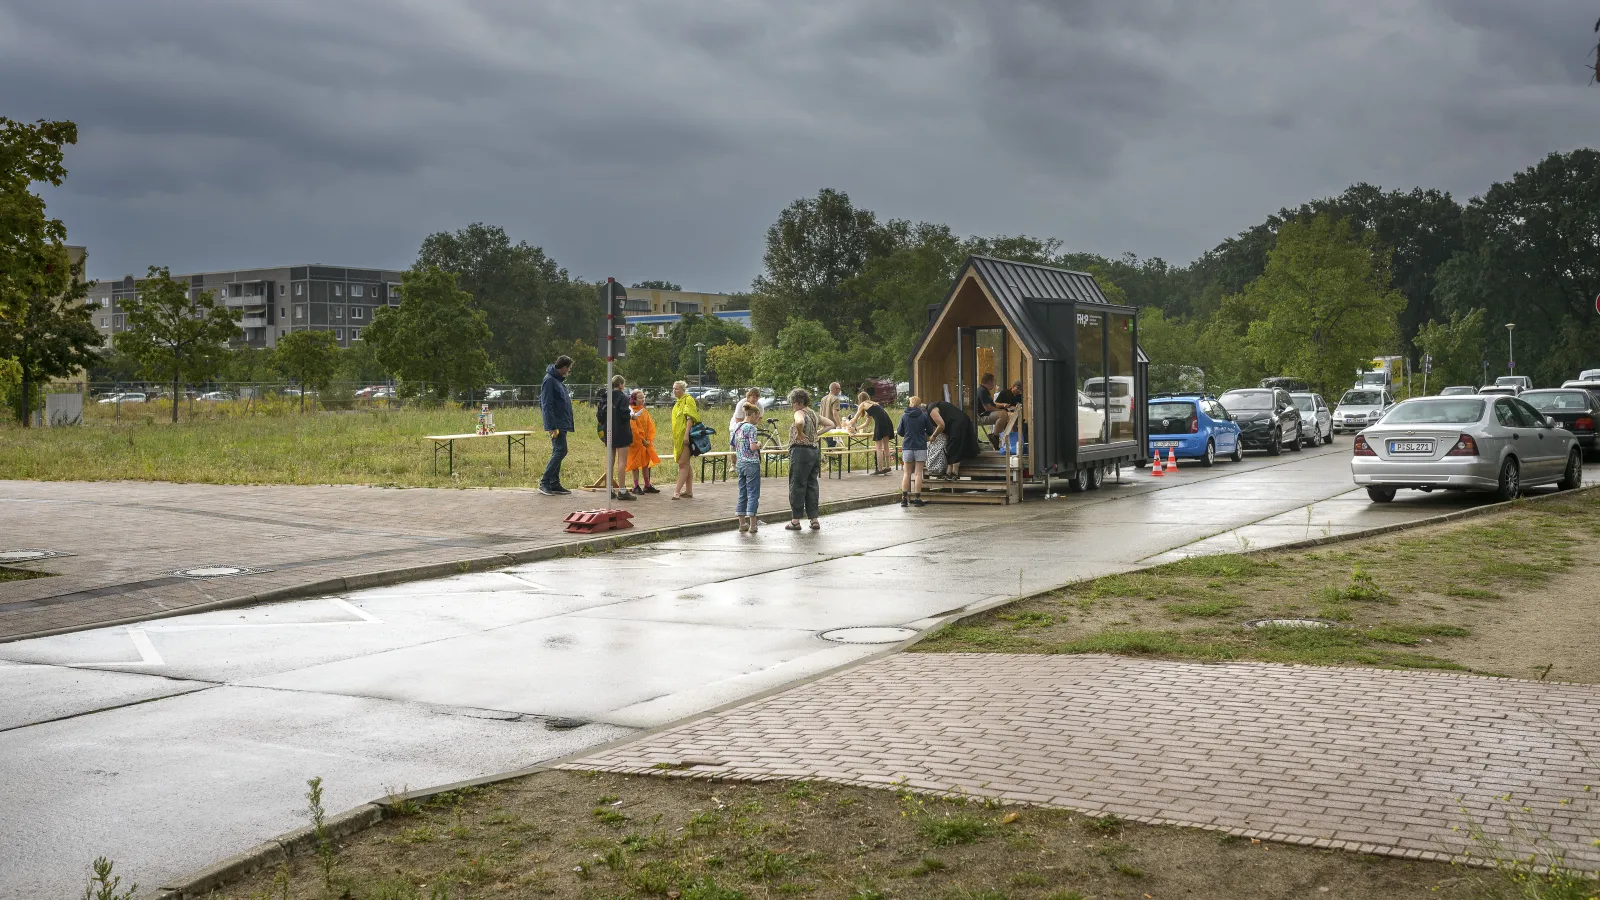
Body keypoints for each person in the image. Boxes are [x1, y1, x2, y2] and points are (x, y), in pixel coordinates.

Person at [785, 387, 831, 530]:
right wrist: (817, 434)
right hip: (814, 451)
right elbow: (831, 424)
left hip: (800, 452)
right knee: (812, 484)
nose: (792, 406)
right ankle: (814, 519)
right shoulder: (814, 414)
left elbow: (799, 422)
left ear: (798, 402)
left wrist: (799, 432)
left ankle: (795, 520)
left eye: (793, 402)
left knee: (797, 484)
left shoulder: (799, 412)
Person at [538, 355, 574, 496]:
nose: (569, 371)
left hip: (562, 422)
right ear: (564, 368)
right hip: (556, 424)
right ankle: (545, 482)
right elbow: (546, 404)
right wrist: (551, 426)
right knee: (561, 451)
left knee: (558, 451)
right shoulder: (549, 381)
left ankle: (554, 483)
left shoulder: (557, 381)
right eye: (569, 369)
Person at [596, 374, 634, 500]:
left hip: (609, 430)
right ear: (621, 385)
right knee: (622, 461)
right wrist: (630, 416)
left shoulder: (605, 396)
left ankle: (609, 489)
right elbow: (624, 415)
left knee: (610, 460)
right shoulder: (623, 397)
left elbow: (600, 416)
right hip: (622, 431)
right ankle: (622, 490)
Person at [897, 395, 934, 507]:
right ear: (919, 404)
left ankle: (904, 499)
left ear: (910, 404)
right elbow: (930, 431)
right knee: (918, 473)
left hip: (907, 446)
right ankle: (917, 498)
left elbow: (900, 431)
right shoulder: (923, 416)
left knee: (906, 473)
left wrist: (907, 434)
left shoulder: (904, 416)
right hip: (920, 446)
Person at [929, 398, 980, 478]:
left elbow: (941, 425)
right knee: (950, 446)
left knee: (954, 445)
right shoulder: (936, 405)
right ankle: (949, 472)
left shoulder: (931, 410)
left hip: (958, 423)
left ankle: (954, 472)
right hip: (960, 420)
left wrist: (933, 436)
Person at [848, 391, 895, 475]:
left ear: (860, 399)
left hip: (880, 423)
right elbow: (866, 424)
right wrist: (855, 428)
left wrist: (847, 425)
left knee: (879, 448)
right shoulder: (874, 405)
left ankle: (880, 469)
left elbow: (855, 418)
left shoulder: (863, 404)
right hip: (888, 422)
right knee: (886, 446)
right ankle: (888, 467)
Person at [733, 402, 762, 533]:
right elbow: (752, 446)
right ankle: (753, 524)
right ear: (753, 414)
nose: (758, 419)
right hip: (751, 463)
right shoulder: (751, 428)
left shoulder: (737, 426)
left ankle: (742, 523)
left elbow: (734, 444)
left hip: (740, 463)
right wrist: (759, 444)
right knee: (753, 493)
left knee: (742, 492)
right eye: (758, 416)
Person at [627, 388, 660, 494]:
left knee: (645, 463)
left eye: (643, 397)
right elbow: (634, 429)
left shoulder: (644, 411)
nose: (642, 399)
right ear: (634, 399)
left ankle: (647, 485)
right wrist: (642, 440)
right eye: (640, 397)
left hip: (646, 442)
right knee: (635, 464)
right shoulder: (631, 412)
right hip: (635, 443)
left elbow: (651, 426)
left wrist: (649, 440)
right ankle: (636, 486)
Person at [670, 380, 699, 500]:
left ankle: (676, 491)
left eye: (676, 388)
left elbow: (690, 418)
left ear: (682, 390)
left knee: (683, 464)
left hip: (686, 436)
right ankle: (688, 491)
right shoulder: (677, 403)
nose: (674, 390)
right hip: (678, 438)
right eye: (673, 388)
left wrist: (686, 434)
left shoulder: (688, 400)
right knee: (686, 464)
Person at [975, 373, 1011, 450]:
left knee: (1006, 414)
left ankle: (1002, 439)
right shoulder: (982, 391)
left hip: (986, 414)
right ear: (989, 382)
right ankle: (995, 437)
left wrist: (1003, 405)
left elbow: (992, 405)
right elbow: (988, 408)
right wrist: (1001, 410)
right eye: (993, 382)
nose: (994, 384)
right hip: (981, 416)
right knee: (1003, 415)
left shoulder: (984, 390)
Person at [994, 379, 1025, 448]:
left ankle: (1016, 440)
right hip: (1003, 413)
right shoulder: (1004, 393)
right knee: (1013, 418)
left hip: (1014, 413)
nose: (1018, 391)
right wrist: (1003, 405)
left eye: (1020, 390)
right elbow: (995, 404)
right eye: (1017, 389)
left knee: (1015, 418)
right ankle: (1014, 440)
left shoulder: (1019, 397)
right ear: (1013, 386)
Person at [819, 383, 843, 448]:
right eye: (839, 388)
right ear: (835, 389)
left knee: (830, 446)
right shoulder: (835, 399)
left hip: (824, 427)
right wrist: (839, 425)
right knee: (832, 447)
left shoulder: (823, 399)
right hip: (832, 427)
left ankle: (826, 457)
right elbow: (835, 413)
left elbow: (820, 413)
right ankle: (828, 457)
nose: (840, 390)